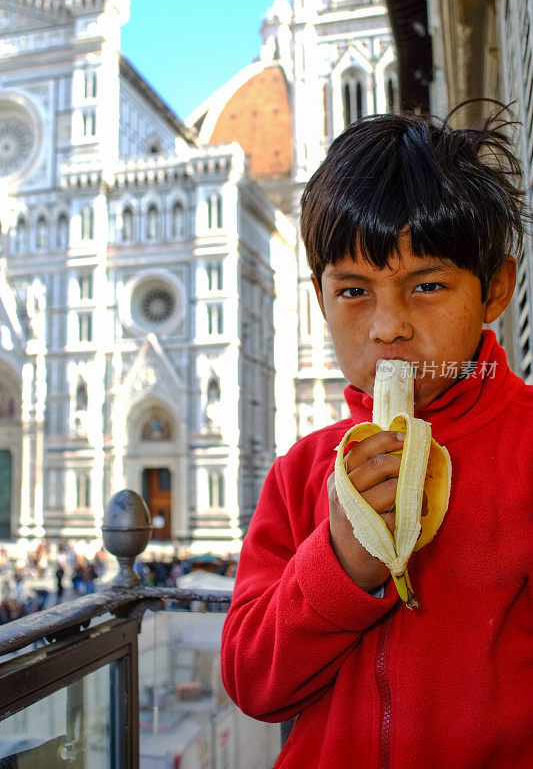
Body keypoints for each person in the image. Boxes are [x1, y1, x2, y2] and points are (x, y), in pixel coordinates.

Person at [220, 104, 533, 768]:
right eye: (354, 291)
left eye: (426, 285)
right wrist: (339, 563)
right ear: (319, 296)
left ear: (494, 289)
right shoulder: (299, 472)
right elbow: (253, 683)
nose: (387, 326)